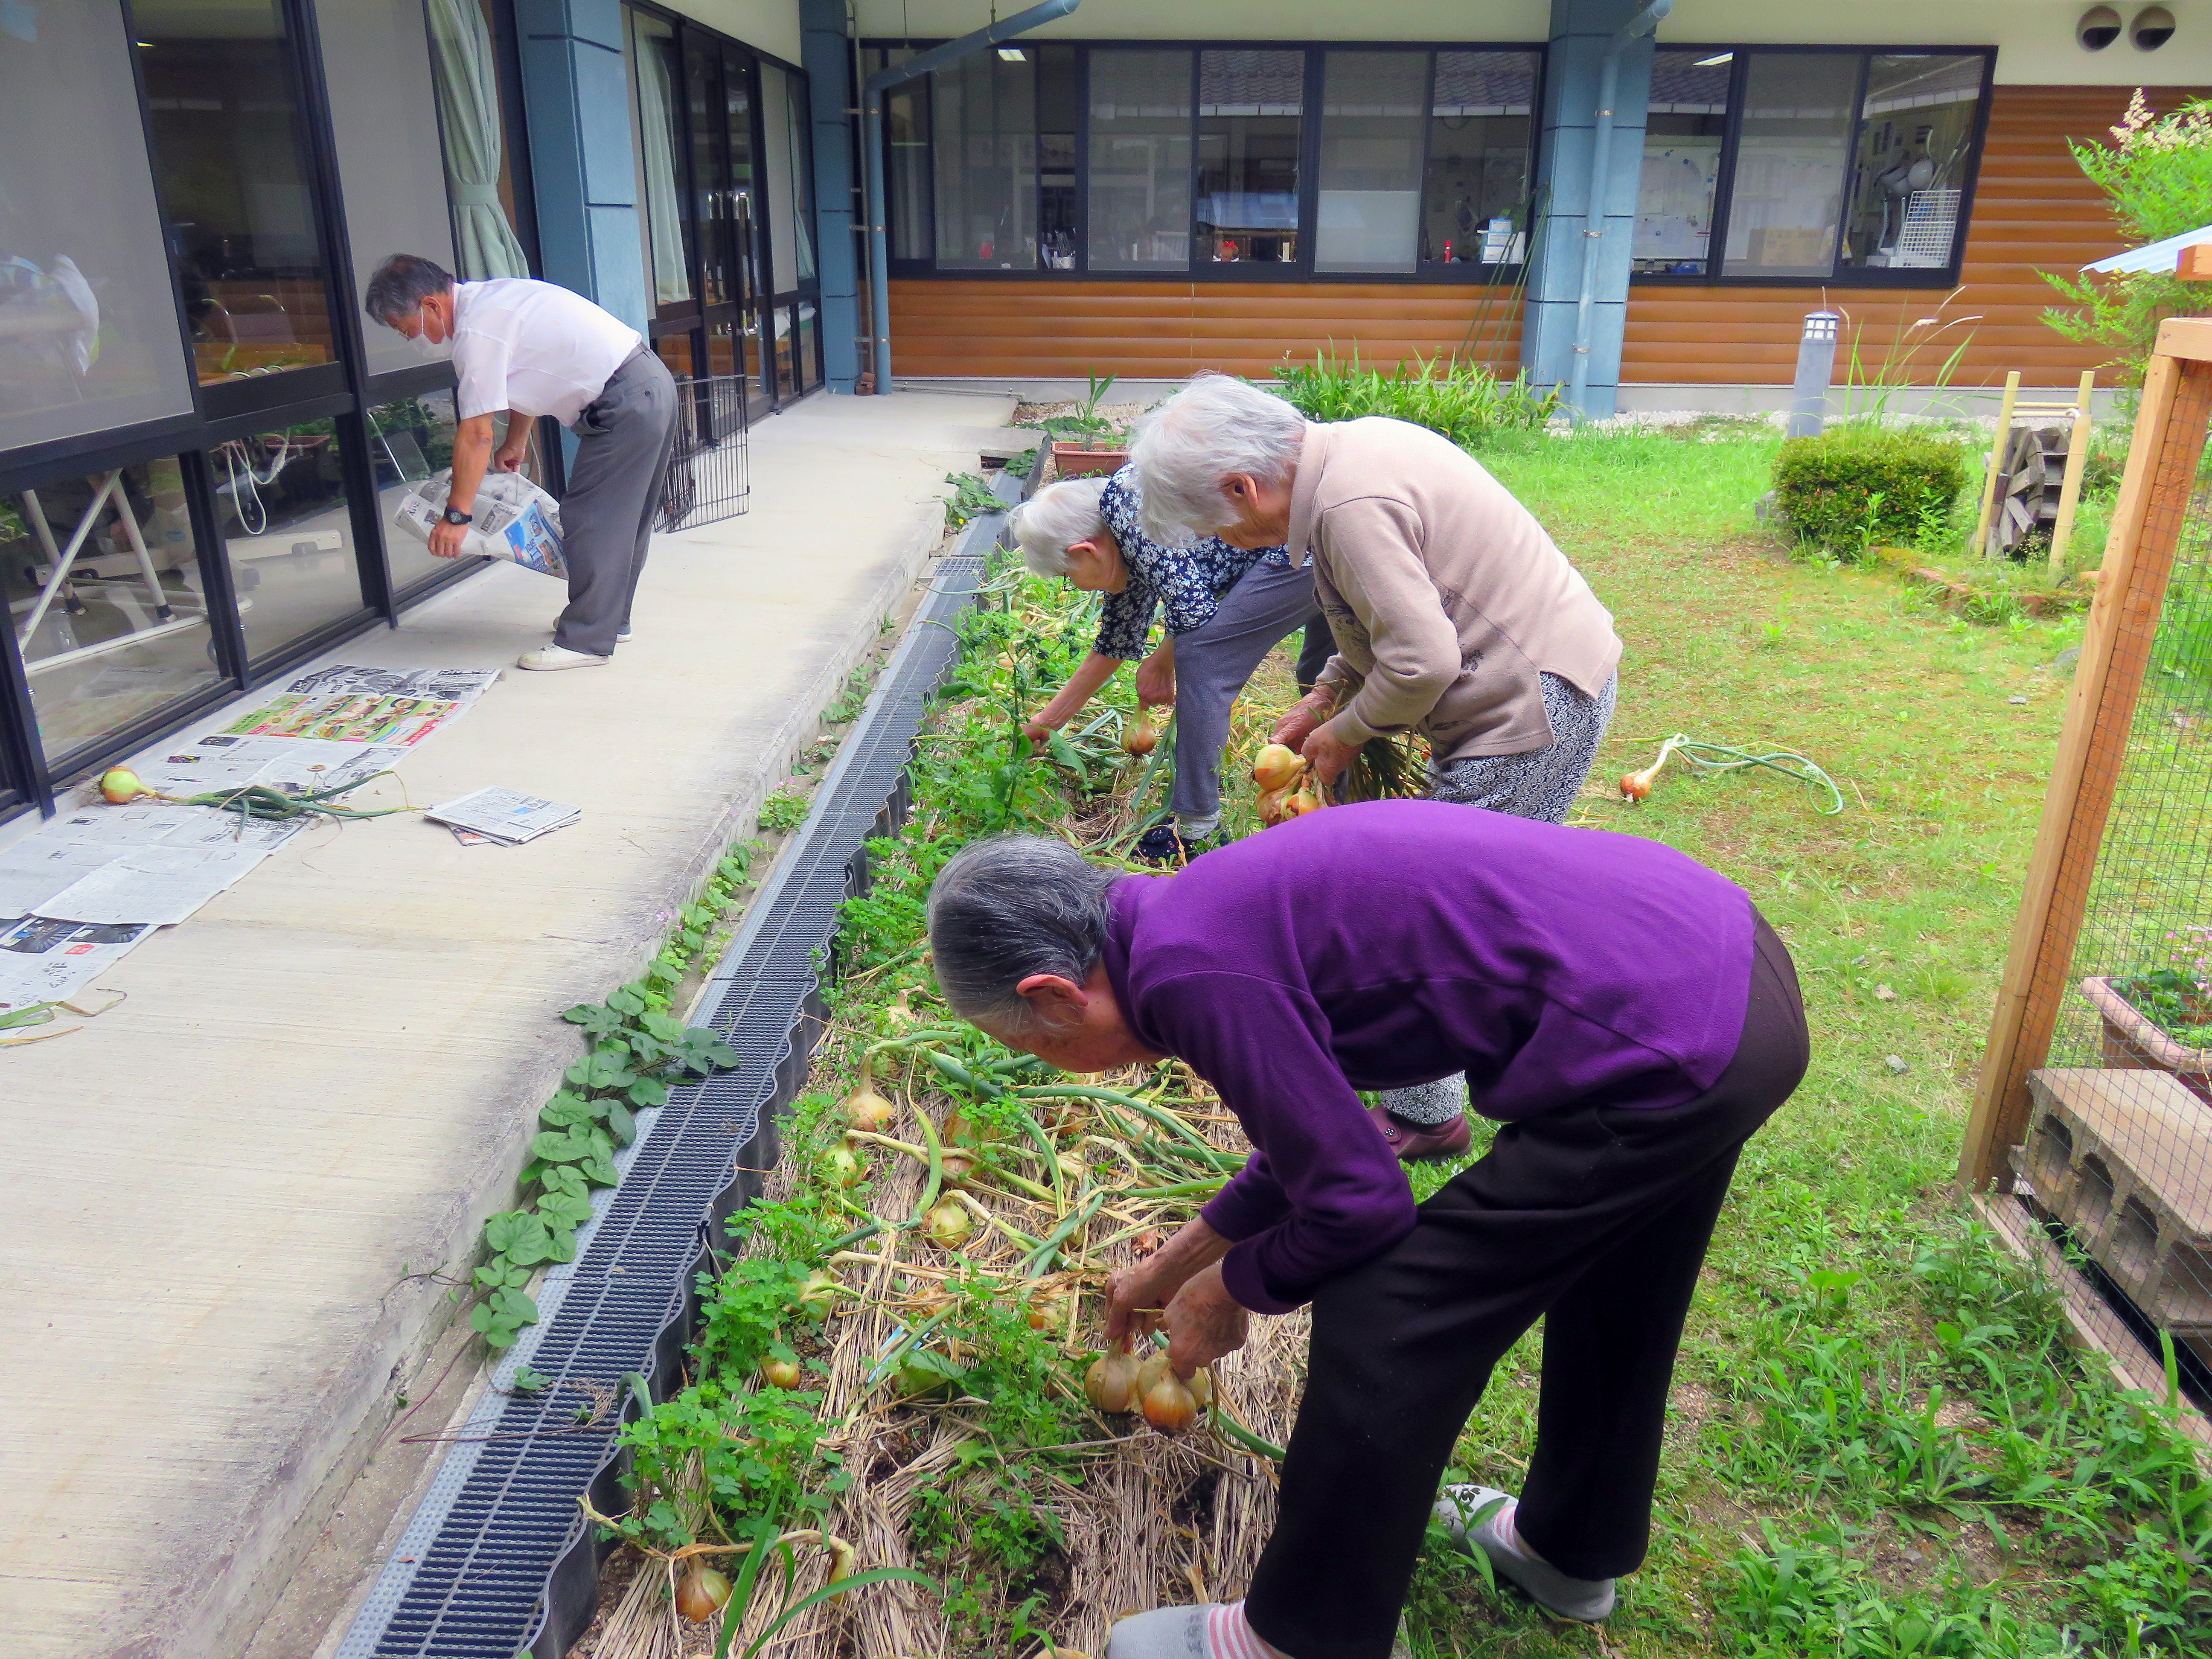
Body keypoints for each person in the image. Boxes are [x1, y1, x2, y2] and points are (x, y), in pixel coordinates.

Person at [926, 804, 1808, 1659]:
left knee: (1389, 1305)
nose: (1048, 1063)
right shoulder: (1185, 924)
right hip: (1721, 977)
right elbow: (1310, 1142)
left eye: (1032, 1047)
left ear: (1053, 993)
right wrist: (1172, 1266)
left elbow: (1363, 1204)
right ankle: (1568, 1554)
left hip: (1663, 1039)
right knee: (1623, 1279)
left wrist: (1232, 1291)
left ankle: (1300, 1638)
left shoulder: (1191, 972)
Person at [1127, 372, 1624, 1158]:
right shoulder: (1347, 457)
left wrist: (1348, 732)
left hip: (1530, 701)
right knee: (1461, 898)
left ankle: (1430, 1113)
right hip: (1540, 675)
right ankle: (1441, 1090)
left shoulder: (1347, 506)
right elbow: (1385, 621)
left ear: (1241, 485)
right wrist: (1325, 696)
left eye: (1214, 523)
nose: (1225, 542)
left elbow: (1423, 659)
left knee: (1442, 911)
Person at [361, 254, 677, 672]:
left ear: (431, 306)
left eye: (407, 330)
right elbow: (527, 374)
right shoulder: (491, 301)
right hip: (644, 386)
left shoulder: (477, 330)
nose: (414, 340)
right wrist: (518, 440)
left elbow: (476, 434)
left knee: (591, 518)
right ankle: (609, 621)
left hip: (625, 401)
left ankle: (587, 640)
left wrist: (456, 517)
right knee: (623, 521)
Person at [1011, 468, 1330, 865]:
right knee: (1325, 677)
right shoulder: (1127, 540)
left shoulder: (1125, 507)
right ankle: (1335, 800)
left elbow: (1193, 611)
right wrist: (1048, 722)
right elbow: (1116, 642)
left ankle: (1197, 831)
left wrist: (1162, 664)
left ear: (1085, 551)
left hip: (1303, 541)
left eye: (1066, 576)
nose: (1075, 586)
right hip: (1326, 529)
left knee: (1204, 656)